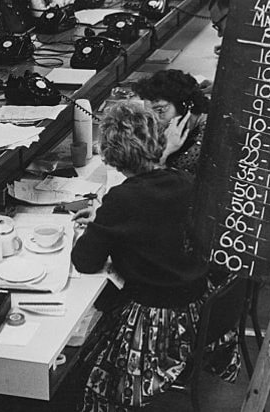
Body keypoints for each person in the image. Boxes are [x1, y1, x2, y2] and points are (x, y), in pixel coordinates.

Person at [71, 101, 239, 410]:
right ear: (155, 141)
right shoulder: (187, 183)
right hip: (197, 308)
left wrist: (99, 221)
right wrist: (106, 217)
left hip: (156, 325)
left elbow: (85, 260)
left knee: (84, 370)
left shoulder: (122, 199)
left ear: (111, 157)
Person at [133, 69, 210, 176]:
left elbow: (156, 182)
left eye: (160, 110)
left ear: (185, 106)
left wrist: (165, 153)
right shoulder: (175, 128)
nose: (155, 120)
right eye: (150, 113)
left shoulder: (207, 140)